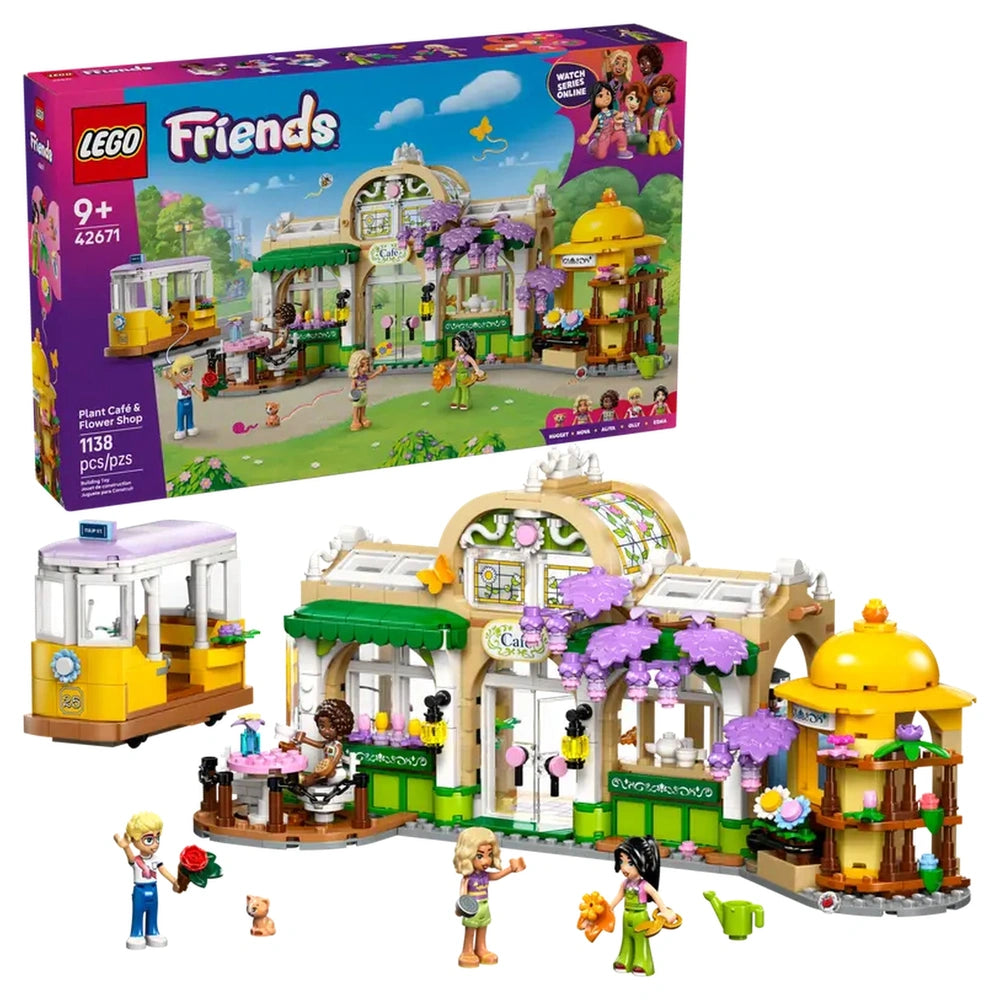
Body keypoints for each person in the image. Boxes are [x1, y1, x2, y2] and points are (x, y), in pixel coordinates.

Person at [604, 836, 678, 976]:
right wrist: (608, 908)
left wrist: (664, 911)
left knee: (641, 939)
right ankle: (624, 958)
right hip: (626, 915)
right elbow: (618, 896)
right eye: (621, 861)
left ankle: (642, 962)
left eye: (630, 863)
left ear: (641, 862)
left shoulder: (644, 885)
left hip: (640, 916)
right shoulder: (625, 884)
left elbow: (656, 896)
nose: (624, 867)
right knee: (626, 938)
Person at [453, 827, 525, 968]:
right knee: (470, 929)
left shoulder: (485, 875)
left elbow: (496, 876)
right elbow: (463, 894)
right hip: (473, 907)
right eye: (480, 856)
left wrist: (510, 869)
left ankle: (481, 948)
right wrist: (460, 908)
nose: (486, 860)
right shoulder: (468, 878)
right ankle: (467, 950)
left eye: (489, 854)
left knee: (483, 927)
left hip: (485, 906)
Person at [114, 812, 182, 950]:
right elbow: (131, 858)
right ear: (135, 840)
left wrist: (175, 881)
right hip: (140, 891)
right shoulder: (137, 860)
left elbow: (163, 871)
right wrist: (126, 847)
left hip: (153, 889)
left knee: (153, 912)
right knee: (137, 913)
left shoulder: (156, 859)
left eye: (158, 838)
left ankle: (152, 931)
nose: (155, 844)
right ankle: (136, 933)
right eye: (149, 840)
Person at [288, 698, 355, 787]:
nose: (326, 731)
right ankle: (303, 783)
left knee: (314, 777)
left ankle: (304, 783)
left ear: (340, 727)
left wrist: (326, 770)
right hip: (328, 770)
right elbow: (318, 744)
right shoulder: (329, 743)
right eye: (322, 726)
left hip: (336, 771)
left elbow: (335, 760)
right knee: (314, 776)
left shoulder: (337, 746)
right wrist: (304, 739)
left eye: (332, 727)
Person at [579, 81, 630, 160]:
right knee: (601, 157)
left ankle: (622, 151)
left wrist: (624, 118)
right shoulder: (599, 116)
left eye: (607, 93)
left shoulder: (612, 111)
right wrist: (586, 136)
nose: (606, 97)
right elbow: (593, 127)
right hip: (602, 138)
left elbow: (620, 115)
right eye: (601, 95)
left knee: (621, 134)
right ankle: (594, 145)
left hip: (612, 134)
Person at [347, 349, 387, 430]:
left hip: (364, 394)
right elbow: (353, 388)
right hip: (358, 395)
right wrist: (353, 395)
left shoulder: (364, 377)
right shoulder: (356, 379)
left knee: (363, 407)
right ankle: (355, 420)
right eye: (362, 366)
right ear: (355, 366)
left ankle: (363, 418)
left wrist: (378, 372)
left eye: (367, 365)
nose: (365, 368)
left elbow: (370, 377)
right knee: (356, 408)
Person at [166, 355, 201, 440]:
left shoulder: (190, 383)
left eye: (191, 369)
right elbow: (174, 385)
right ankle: (180, 429)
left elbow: (196, 390)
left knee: (190, 415)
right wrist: (170, 379)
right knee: (180, 416)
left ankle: (190, 427)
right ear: (176, 373)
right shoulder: (179, 384)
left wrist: (202, 395)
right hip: (181, 403)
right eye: (185, 371)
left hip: (189, 401)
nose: (190, 373)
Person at [448, 330, 485, 411]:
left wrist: (477, 370)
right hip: (458, 375)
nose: (457, 348)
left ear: (466, 345)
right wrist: (449, 371)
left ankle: (465, 402)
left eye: (459, 345)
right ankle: (455, 400)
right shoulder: (457, 357)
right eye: (455, 345)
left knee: (464, 388)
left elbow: (473, 363)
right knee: (457, 388)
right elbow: (454, 364)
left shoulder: (467, 357)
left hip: (464, 375)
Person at [644, 74, 680, 156]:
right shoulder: (652, 110)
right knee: (651, 153)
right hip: (653, 134)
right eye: (655, 92)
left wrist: (672, 135)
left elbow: (670, 125)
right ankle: (656, 147)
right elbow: (646, 118)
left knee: (664, 152)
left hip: (661, 134)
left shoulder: (667, 112)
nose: (658, 94)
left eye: (663, 91)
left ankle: (671, 145)